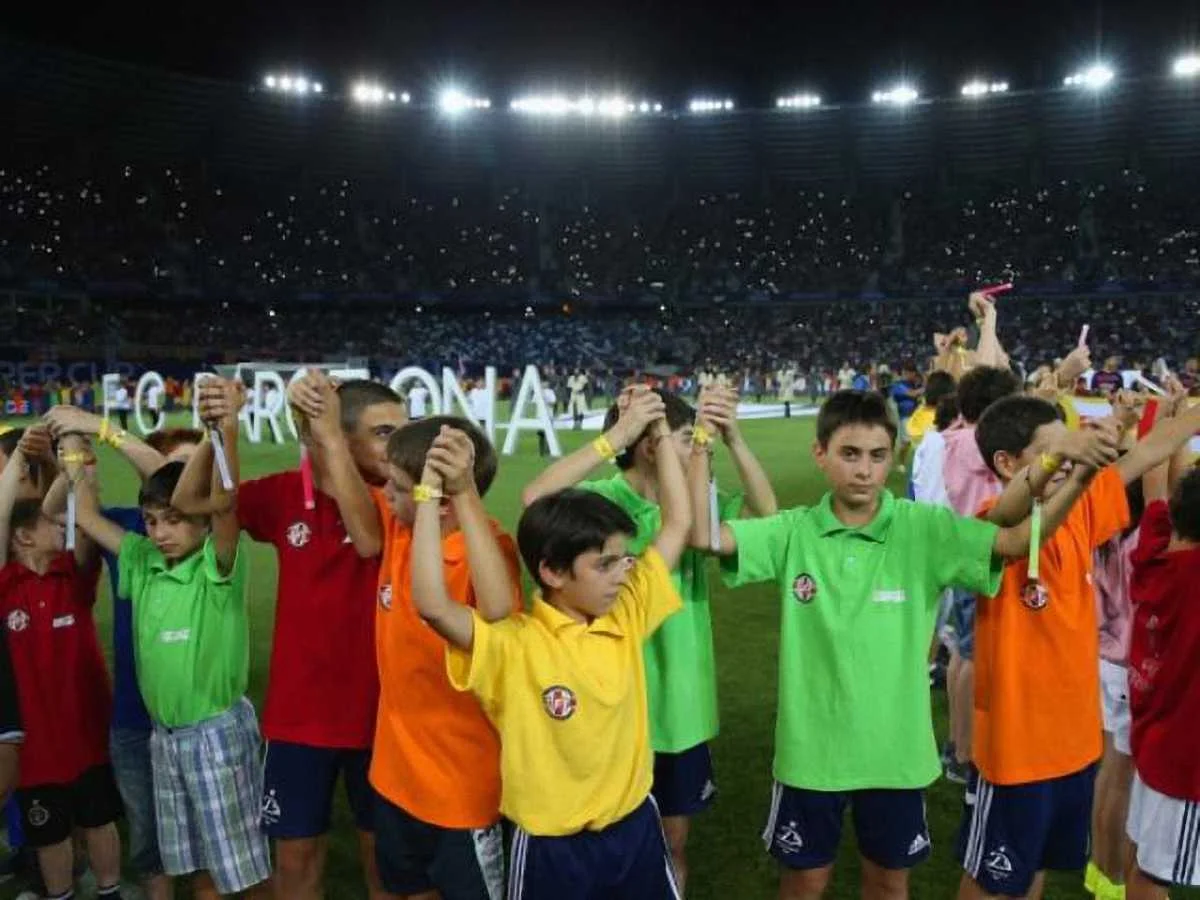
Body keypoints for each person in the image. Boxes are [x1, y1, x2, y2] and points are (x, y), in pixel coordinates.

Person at [696, 390, 1108, 900]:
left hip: (896, 754)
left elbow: (1015, 541)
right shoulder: (794, 532)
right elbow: (705, 537)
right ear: (819, 454)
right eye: (849, 454)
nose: (864, 471)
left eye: (876, 456)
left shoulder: (924, 528)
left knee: (890, 884)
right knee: (803, 883)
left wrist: (1081, 477)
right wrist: (703, 446)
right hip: (811, 753)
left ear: (893, 457)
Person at [413, 386, 697, 899]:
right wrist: (431, 493)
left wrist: (654, 428)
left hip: (633, 827)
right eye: (605, 563)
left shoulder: (626, 611)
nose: (622, 573)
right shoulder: (514, 646)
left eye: (625, 558)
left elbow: (678, 522)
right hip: (551, 849)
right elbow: (434, 605)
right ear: (552, 571)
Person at [521, 385, 776, 894]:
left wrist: (735, 442)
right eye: (687, 438)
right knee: (594, 842)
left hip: (680, 703)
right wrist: (616, 433)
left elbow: (767, 523)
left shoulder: (698, 504)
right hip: (610, 703)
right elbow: (536, 500)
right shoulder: (604, 504)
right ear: (648, 444)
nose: (693, 448)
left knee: (671, 842)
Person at [957, 391, 1200, 900]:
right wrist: (1060, 460)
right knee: (991, 880)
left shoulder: (1081, 508)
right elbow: (1008, 516)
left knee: (1036, 871)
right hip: (1014, 751)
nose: (1068, 461)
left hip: (1073, 745)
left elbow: (1153, 450)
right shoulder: (989, 526)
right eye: (1053, 451)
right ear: (1007, 463)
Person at [176, 375, 406, 900]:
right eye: (385, 432)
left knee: (384, 863)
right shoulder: (285, 493)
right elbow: (194, 503)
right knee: (296, 860)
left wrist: (325, 439)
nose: (400, 444)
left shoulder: (399, 498)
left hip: (382, 716)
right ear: (340, 436)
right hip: (299, 718)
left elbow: (368, 538)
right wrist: (220, 430)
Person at [72, 379, 271, 899]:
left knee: (243, 868)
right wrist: (75, 456)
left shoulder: (215, 566)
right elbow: (88, 517)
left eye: (175, 520)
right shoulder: (142, 560)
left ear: (201, 524)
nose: (160, 532)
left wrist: (222, 428)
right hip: (165, 738)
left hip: (214, 736)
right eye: (152, 521)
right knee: (198, 867)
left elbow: (225, 504)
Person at [43, 407, 204, 900]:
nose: (186, 481)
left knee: (203, 842)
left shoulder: (212, 540)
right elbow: (63, 516)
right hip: (135, 715)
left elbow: (179, 491)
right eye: (179, 465)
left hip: (199, 718)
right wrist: (73, 450)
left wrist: (104, 429)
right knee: (150, 839)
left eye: (196, 469)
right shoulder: (132, 535)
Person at [0, 427, 124, 900]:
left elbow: (77, 503)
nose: (64, 529)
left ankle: (110, 891)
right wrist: (17, 462)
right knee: (49, 834)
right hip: (33, 742)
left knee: (99, 819)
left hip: (85, 730)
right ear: (23, 537)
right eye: (52, 526)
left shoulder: (72, 575)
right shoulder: (6, 584)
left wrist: (74, 458)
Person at [1125, 414, 1200, 898]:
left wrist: (1170, 424)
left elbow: (1155, 482)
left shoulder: (1157, 551)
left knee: (1148, 864)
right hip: (1189, 761)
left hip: (1156, 740)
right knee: (1158, 873)